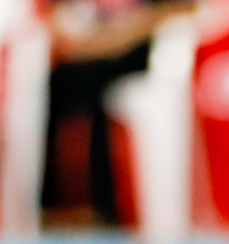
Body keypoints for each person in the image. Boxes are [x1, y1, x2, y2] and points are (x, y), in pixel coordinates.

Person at [41, 0, 197, 226]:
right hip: (87, 54)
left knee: (108, 97)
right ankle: (50, 204)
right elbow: (56, 24)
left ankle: (109, 209)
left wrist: (129, 30)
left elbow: (184, 11)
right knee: (55, 88)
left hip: (142, 58)